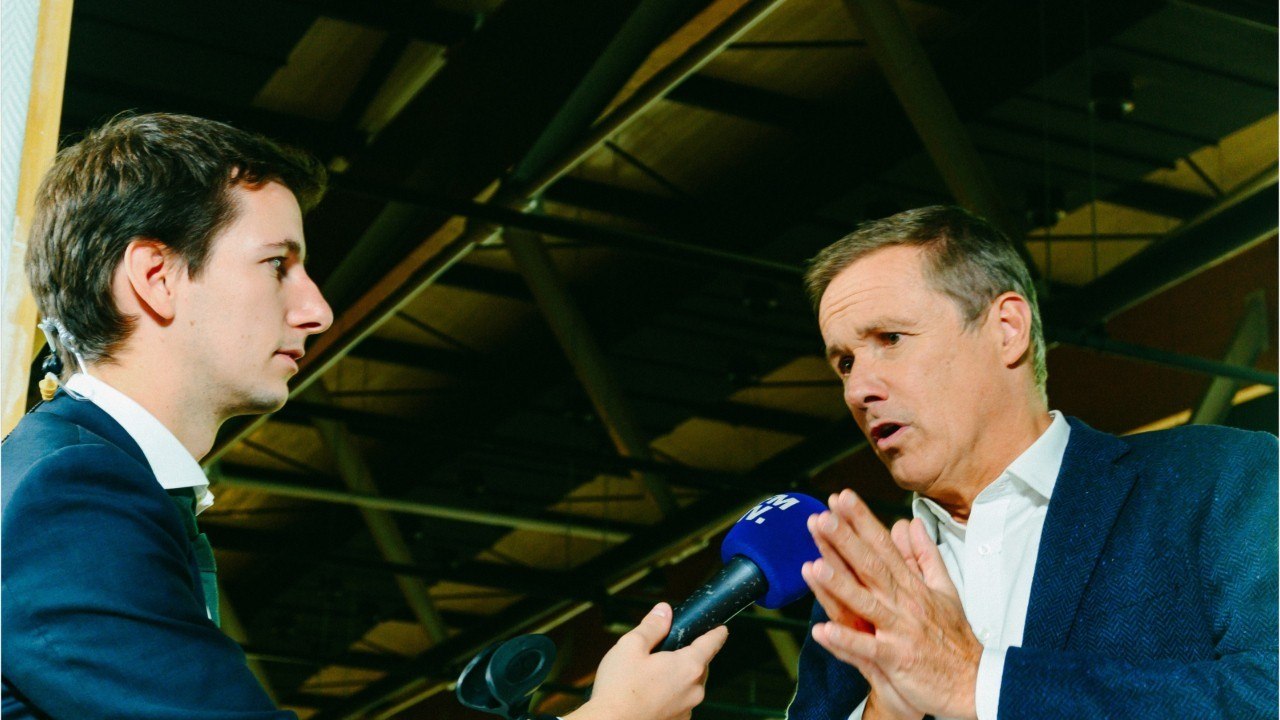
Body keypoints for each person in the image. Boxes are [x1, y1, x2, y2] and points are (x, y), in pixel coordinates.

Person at [1, 113, 726, 720]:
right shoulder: (71, 495)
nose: (316, 309)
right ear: (156, 278)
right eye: (277, 265)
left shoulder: (77, 477)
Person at [785, 206, 1277, 720]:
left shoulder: (1216, 479)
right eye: (845, 363)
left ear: (1007, 328)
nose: (859, 389)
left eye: (890, 339)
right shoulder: (866, 592)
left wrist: (979, 684)